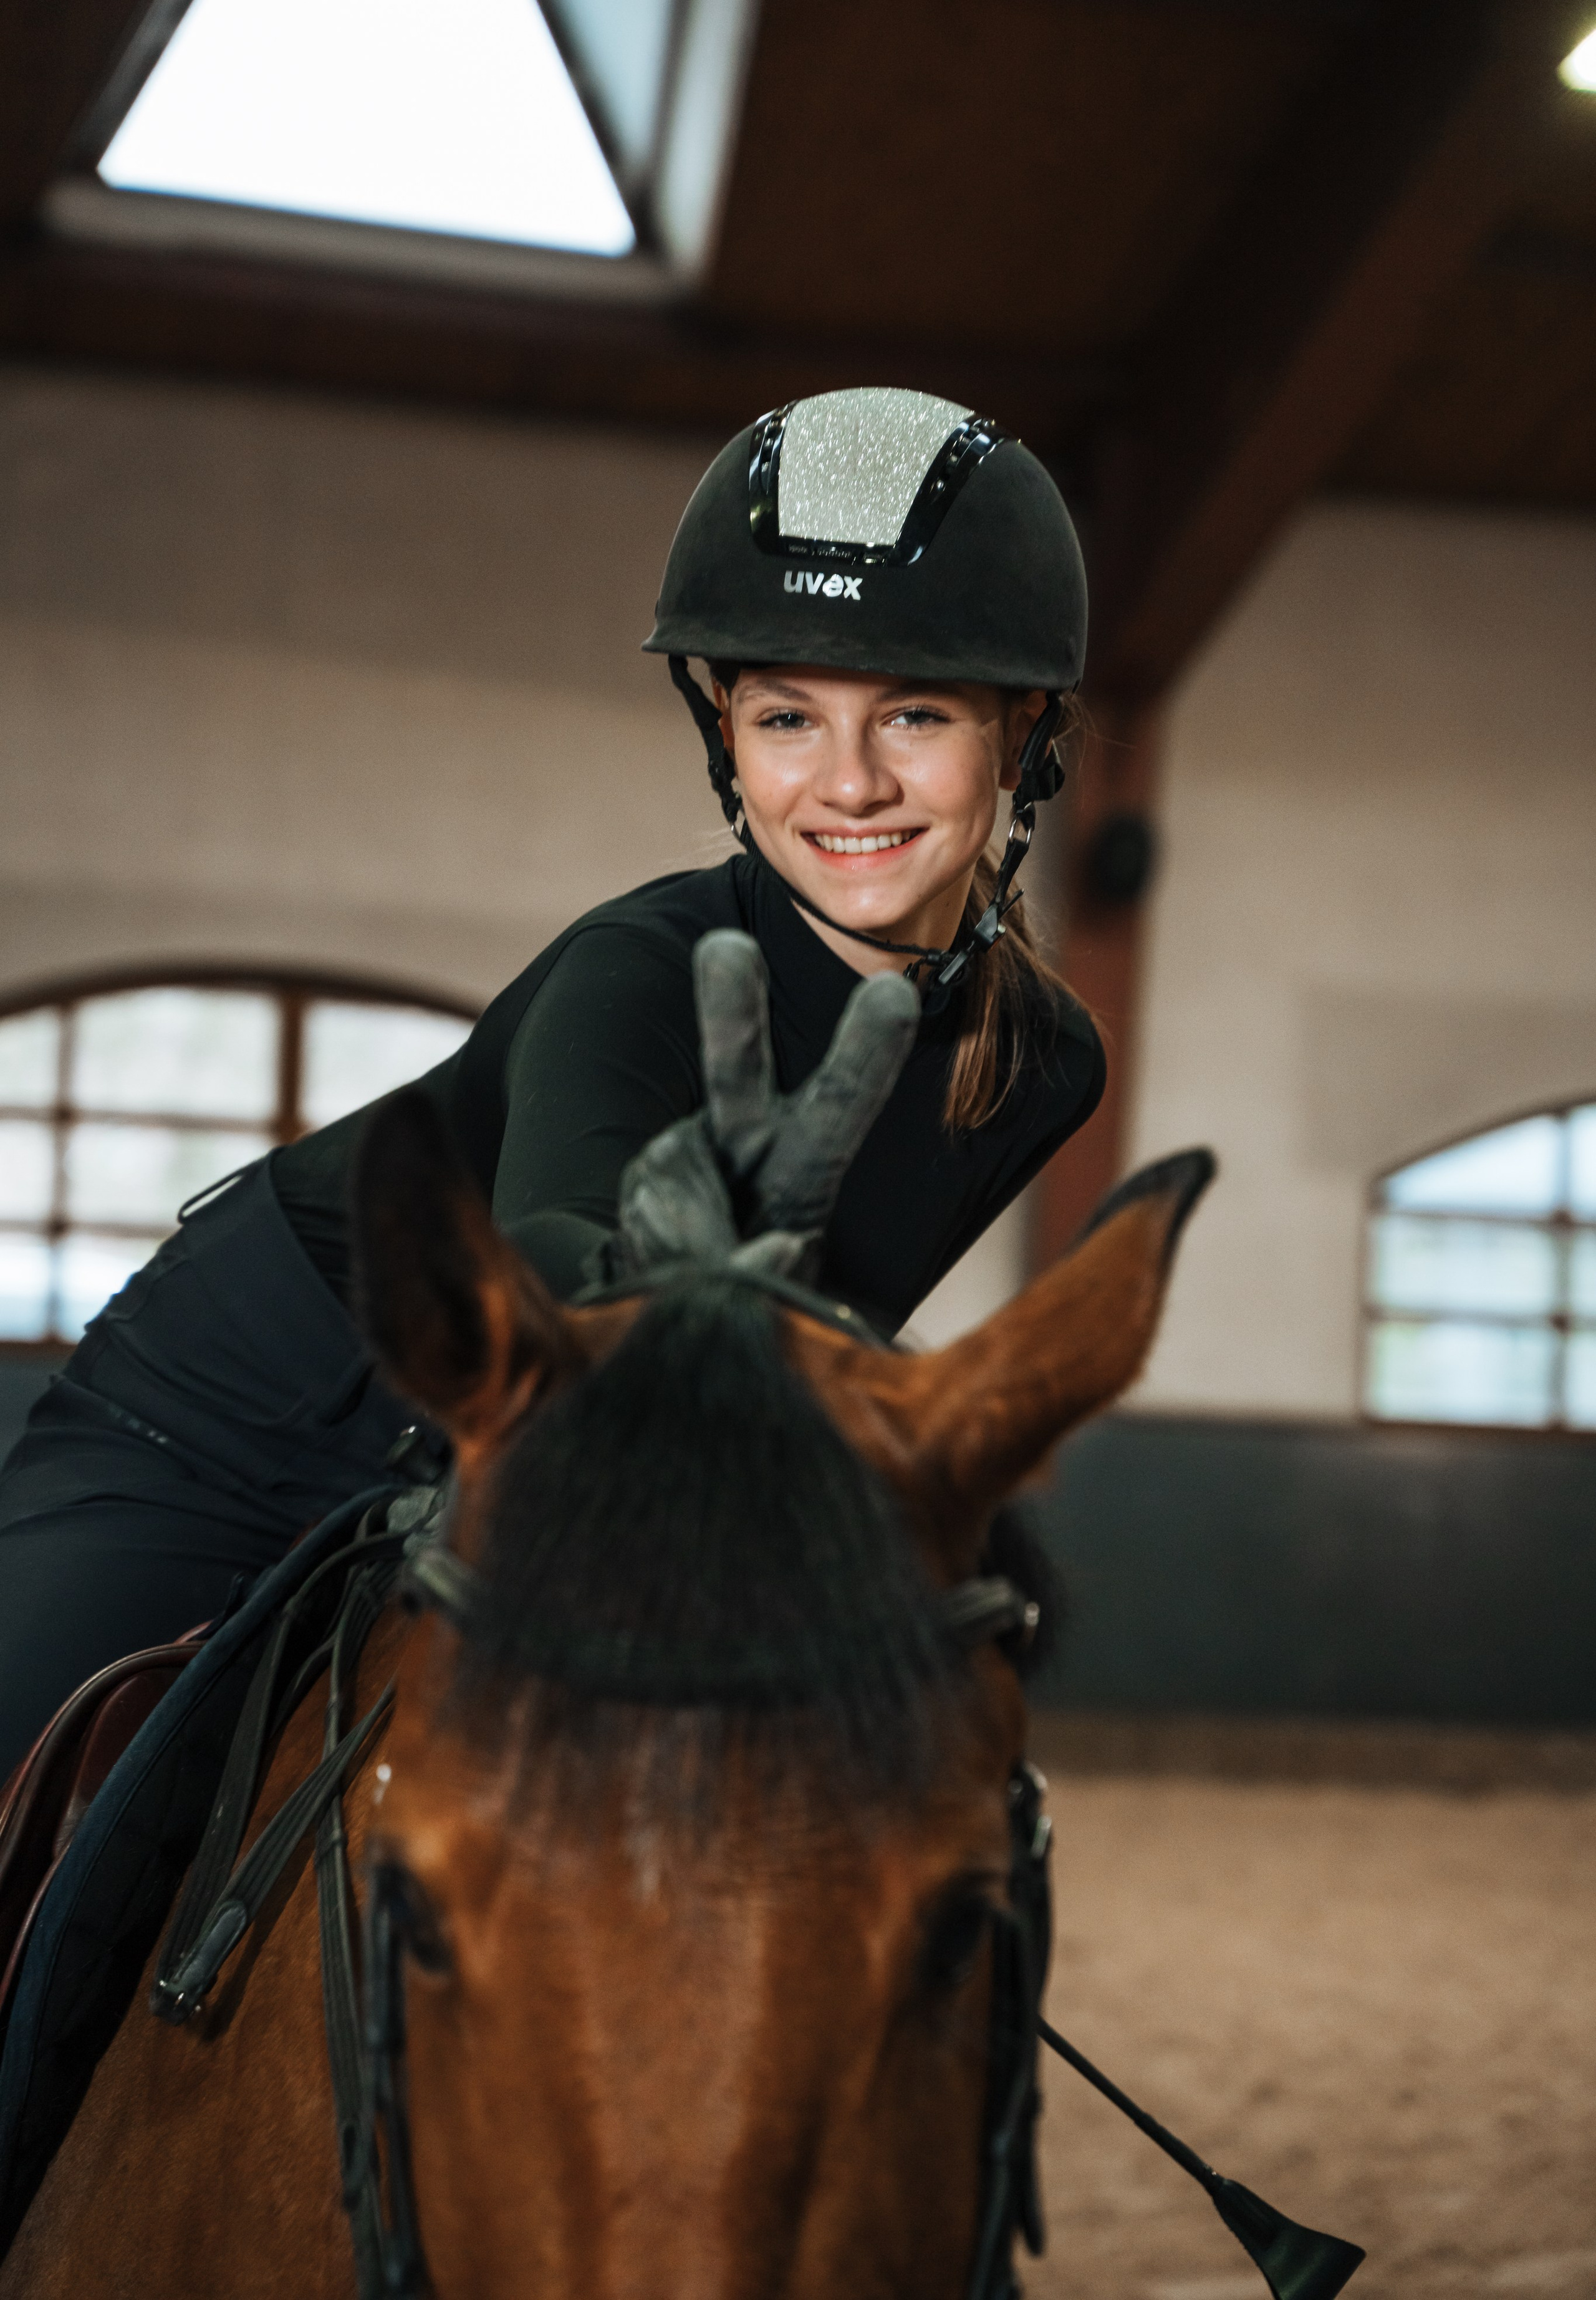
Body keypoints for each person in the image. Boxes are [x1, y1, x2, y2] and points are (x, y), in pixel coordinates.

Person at [0, 386, 1104, 1783]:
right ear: (723, 734)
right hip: (245, 1418)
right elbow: (547, 1263)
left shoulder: (1039, 1069)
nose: (848, 782)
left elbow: (815, 1332)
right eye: (784, 716)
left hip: (527, 1474)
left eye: (916, 716)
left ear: (1021, 736)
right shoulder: (634, 969)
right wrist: (681, 1302)